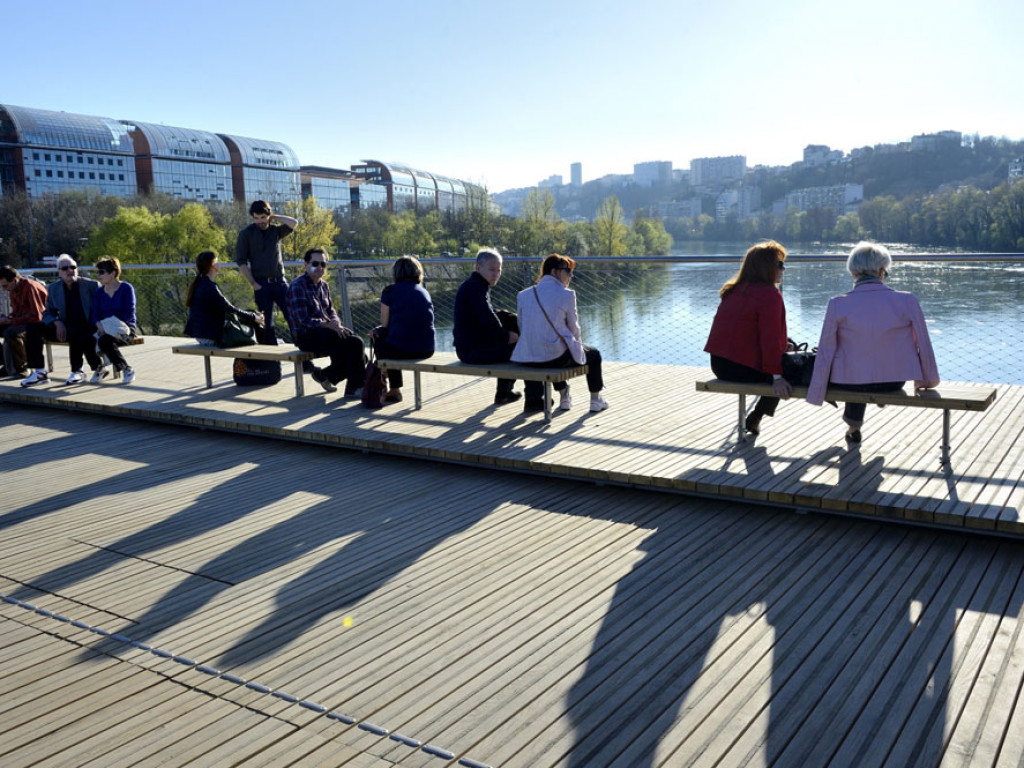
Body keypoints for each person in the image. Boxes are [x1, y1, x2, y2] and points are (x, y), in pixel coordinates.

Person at [807, 241, 940, 444]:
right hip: (893, 381)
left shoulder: (837, 304)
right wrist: (927, 380)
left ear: (853, 273)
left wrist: (818, 391)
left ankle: (853, 424)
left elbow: (826, 350)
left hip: (850, 382)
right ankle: (856, 420)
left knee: (853, 371)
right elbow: (924, 343)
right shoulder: (907, 301)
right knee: (864, 369)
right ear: (881, 271)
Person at [704, 240, 793, 435]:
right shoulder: (770, 295)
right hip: (741, 368)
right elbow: (769, 339)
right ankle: (757, 415)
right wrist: (777, 377)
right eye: (780, 264)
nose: (784, 269)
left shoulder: (733, 290)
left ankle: (756, 417)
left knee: (785, 355)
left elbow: (747, 334)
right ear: (766, 267)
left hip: (719, 365)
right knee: (792, 372)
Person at [511, 254, 608, 414]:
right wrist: (577, 347)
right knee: (594, 354)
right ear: (555, 272)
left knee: (555, 348)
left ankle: (564, 395)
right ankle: (595, 400)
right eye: (567, 271)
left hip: (528, 357)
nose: (570, 275)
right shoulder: (567, 294)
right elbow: (575, 330)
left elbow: (522, 326)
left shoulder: (523, 295)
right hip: (553, 358)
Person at [286, 247, 365, 396]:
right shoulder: (297, 286)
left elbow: (330, 311)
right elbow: (303, 320)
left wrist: (336, 324)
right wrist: (328, 325)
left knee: (355, 348)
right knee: (356, 345)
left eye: (323, 264)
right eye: (315, 263)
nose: (320, 267)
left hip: (325, 332)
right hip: (306, 336)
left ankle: (326, 376)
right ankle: (351, 387)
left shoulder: (323, 285)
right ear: (305, 264)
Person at [21, 254, 102, 386]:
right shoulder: (54, 288)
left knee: (76, 329)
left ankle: (78, 371)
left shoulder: (91, 285)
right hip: (64, 327)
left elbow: (101, 310)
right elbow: (47, 312)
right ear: (59, 271)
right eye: (65, 268)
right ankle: (40, 373)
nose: (70, 270)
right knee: (33, 327)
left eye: (73, 267)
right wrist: (56, 322)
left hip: (88, 327)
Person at [453, 248, 521, 404]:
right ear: (478, 268)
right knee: (521, 349)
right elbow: (487, 317)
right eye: (492, 270)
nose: (496, 274)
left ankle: (505, 392)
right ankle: (530, 397)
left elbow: (489, 313)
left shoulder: (476, 285)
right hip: (471, 351)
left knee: (510, 323)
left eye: (499, 270)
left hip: (472, 346)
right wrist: (506, 336)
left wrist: (512, 320)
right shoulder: (475, 287)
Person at [370, 255, 435, 403]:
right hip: (427, 349)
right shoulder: (424, 291)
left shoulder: (389, 291)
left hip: (402, 350)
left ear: (396, 273)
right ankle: (388, 376)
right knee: (395, 339)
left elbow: (384, 324)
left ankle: (394, 388)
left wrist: (377, 331)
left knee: (381, 338)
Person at [235, 200, 298, 345]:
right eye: (256, 218)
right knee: (267, 325)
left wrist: (275, 217)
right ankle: (273, 364)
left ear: (268, 216)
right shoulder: (246, 234)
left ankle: (304, 360)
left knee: (293, 318)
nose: (260, 221)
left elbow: (294, 223)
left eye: (263, 217)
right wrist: (254, 284)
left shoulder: (275, 231)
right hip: (261, 284)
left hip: (280, 283)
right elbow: (241, 261)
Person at [184, 250, 264, 346]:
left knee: (250, 314)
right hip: (209, 337)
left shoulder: (201, 283)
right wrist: (253, 317)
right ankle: (267, 343)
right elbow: (230, 308)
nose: (219, 263)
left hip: (203, 334)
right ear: (212, 265)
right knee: (252, 318)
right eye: (217, 261)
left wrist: (253, 315)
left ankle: (264, 342)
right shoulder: (209, 287)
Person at [91, 256, 139, 384]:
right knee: (86, 338)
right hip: (103, 327)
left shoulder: (126, 288)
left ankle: (127, 369)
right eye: (97, 272)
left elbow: (129, 312)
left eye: (101, 272)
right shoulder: (99, 292)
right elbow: (95, 314)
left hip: (124, 328)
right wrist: (99, 324)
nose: (98, 275)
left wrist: (110, 328)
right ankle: (100, 369)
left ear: (112, 273)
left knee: (105, 341)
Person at [0, 265, 47, 379]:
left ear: (14, 280)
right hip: (25, 321)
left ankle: (22, 368)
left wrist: (11, 320)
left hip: (38, 324)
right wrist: (7, 318)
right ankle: (7, 364)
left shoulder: (29, 287)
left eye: (5, 286)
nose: (3, 289)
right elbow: (17, 312)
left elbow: (36, 315)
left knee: (11, 332)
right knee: (8, 329)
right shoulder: (13, 289)